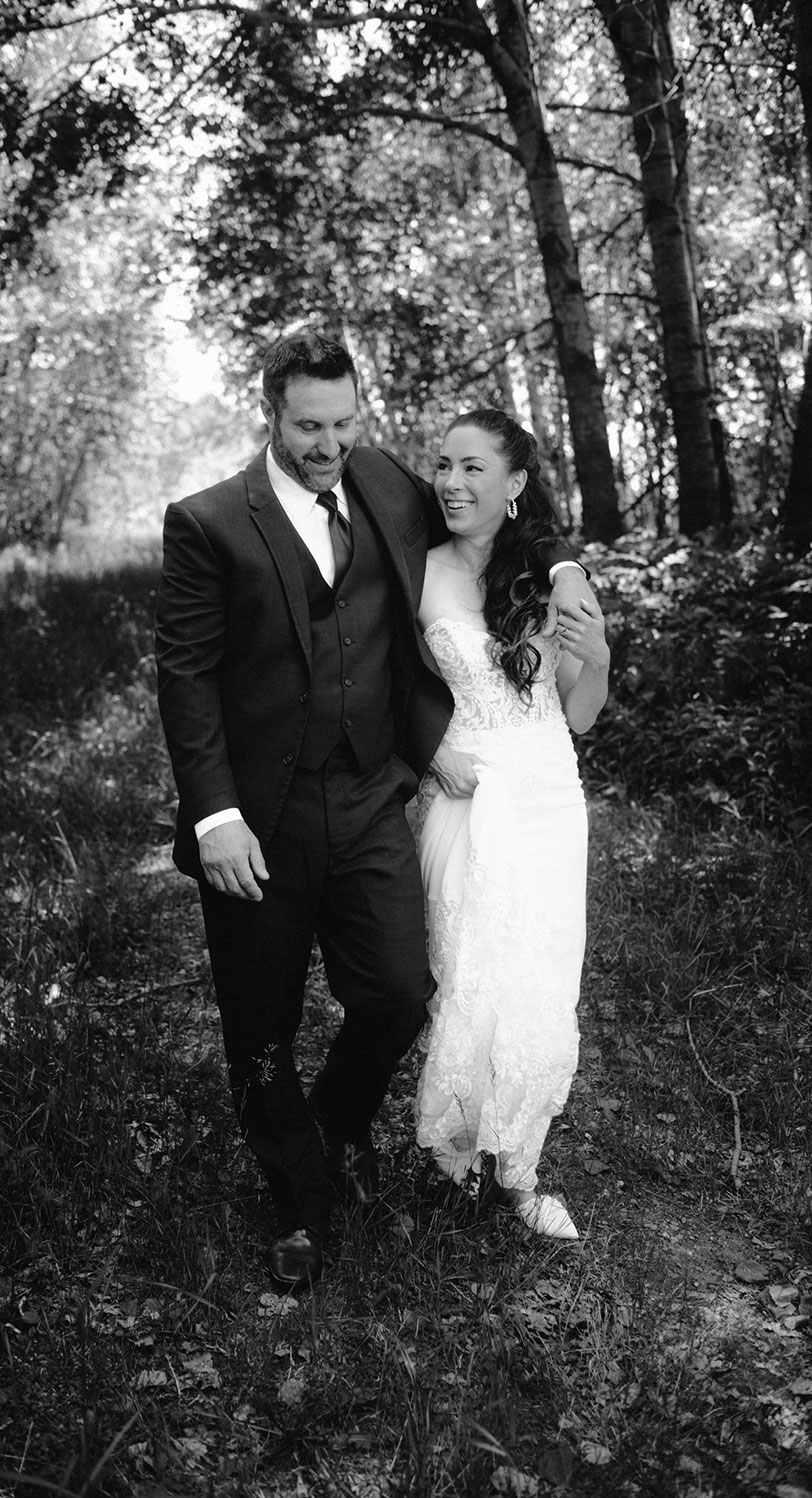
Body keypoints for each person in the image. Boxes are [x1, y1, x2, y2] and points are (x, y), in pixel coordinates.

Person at [154, 333, 598, 1291]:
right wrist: (213, 815)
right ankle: (297, 1203)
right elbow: (185, 678)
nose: (329, 444)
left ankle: (335, 1125)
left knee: (398, 992)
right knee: (260, 1019)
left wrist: (563, 573)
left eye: (344, 421)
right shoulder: (208, 522)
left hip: (367, 795)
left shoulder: (389, 485)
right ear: (270, 412)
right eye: (309, 426)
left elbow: (505, 511)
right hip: (259, 817)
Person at [415, 408, 610, 1240]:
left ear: (516, 485)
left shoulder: (552, 573)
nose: (453, 483)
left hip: (547, 796)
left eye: (474, 470)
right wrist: (427, 752)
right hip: (466, 791)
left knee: (538, 982)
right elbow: (387, 686)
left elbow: (583, 713)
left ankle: (520, 1171)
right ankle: (454, 1158)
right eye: (445, 467)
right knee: (466, 974)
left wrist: (596, 656)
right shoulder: (414, 571)